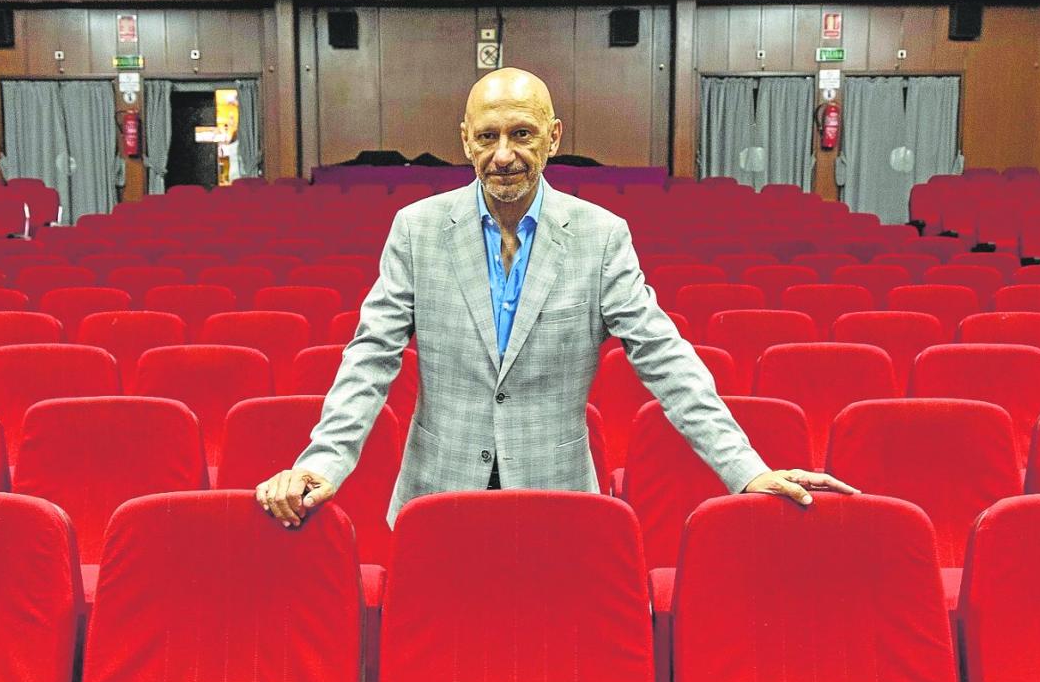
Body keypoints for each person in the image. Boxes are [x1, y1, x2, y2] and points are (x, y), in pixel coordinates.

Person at [256, 67, 856, 527]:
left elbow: (667, 361)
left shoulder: (600, 235)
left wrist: (747, 469)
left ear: (554, 136)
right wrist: (322, 462)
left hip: (559, 493)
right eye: (487, 136)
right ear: (465, 140)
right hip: (436, 494)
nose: (504, 155)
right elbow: (370, 358)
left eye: (522, 134)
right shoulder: (416, 229)